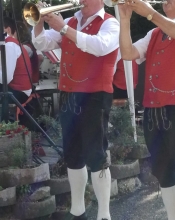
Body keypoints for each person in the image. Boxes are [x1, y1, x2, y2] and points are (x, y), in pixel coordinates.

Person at [118, 0, 175, 219]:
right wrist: (125, 20)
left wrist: (149, 13)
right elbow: (128, 53)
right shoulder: (154, 33)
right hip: (153, 111)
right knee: (164, 172)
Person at [32, 0, 119, 219]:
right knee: (72, 153)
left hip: (95, 96)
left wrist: (63, 28)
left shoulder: (111, 24)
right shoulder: (71, 21)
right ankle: (77, 210)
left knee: (96, 154)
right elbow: (41, 43)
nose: (81, 1)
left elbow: (99, 46)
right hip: (69, 93)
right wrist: (38, 22)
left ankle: (104, 214)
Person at [1, 17, 33, 107]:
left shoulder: (9, 45)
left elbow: (6, 78)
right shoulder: (9, 44)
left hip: (19, 93)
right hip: (16, 89)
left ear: (7, 29)